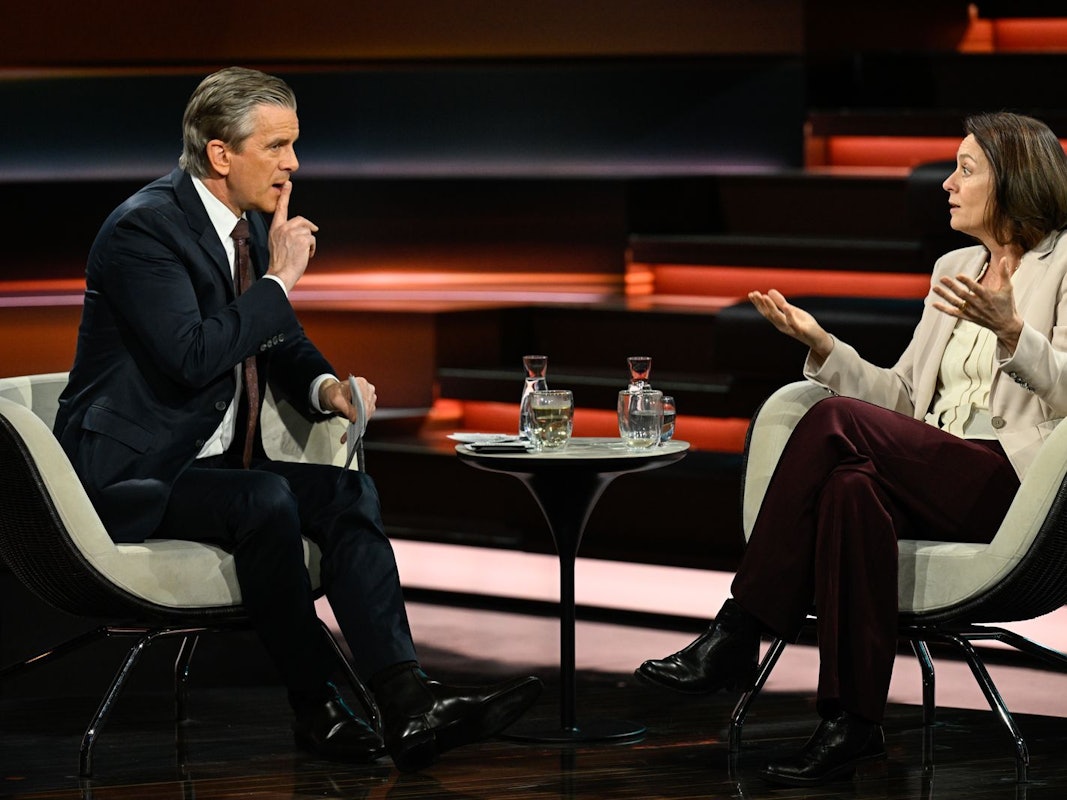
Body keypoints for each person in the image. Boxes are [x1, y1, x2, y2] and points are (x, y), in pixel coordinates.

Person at [53, 66, 542, 773]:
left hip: (213, 468)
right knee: (263, 497)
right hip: (130, 475)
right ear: (221, 154)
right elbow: (193, 356)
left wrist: (323, 388)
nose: (294, 164)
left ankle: (409, 702)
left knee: (347, 494)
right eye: (278, 146)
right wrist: (281, 279)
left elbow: (273, 337)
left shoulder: (244, 226)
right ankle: (317, 708)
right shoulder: (143, 231)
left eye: (295, 144)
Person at [635, 111, 1067, 787]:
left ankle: (740, 625)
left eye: (966, 168)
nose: (947, 184)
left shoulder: (1063, 263)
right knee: (850, 488)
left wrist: (1013, 333)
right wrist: (823, 348)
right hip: (931, 469)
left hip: (1010, 487)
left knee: (839, 424)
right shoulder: (954, 268)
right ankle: (852, 725)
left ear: (1012, 180)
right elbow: (897, 400)